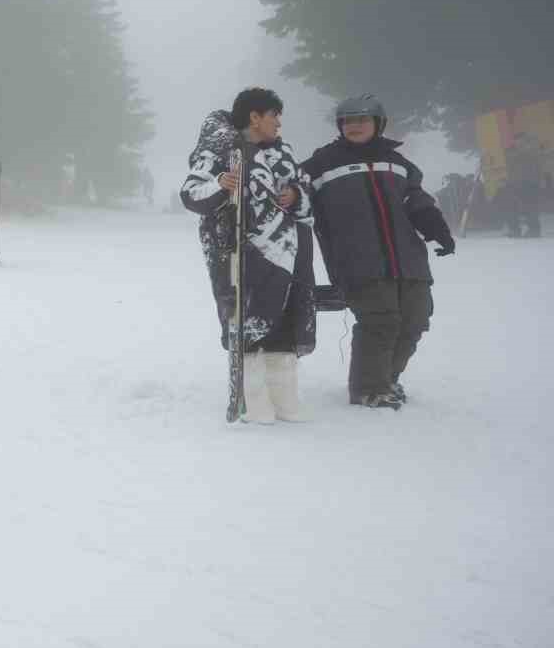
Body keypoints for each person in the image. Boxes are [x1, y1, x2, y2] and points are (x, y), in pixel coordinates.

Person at [300, 95, 456, 409]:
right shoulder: (321, 164)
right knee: (380, 320)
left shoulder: (398, 163)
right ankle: (368, 388)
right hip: (358, 259)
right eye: (348, 121)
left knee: (415, 319)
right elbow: (295, 196)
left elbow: (415, 199)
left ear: (378, 124)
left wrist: (435, 227)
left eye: (362, 120)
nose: (354, 126)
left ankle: (388, 378)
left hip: (408, 258)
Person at [180, 88, 316, 423]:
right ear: (254, 117)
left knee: (285, 323)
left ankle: (285, 399)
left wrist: (295, 194)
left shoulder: (283, 152)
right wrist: (221, 185)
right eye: (274, 115)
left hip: (290, 251)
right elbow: (191, 192)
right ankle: (253, 401)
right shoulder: (223, 149)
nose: (279, 123)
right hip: (242, 252)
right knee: (250, 322)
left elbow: (308, 191)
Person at [503, 130, 548, 238]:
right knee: (513, 206)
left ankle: (533, 230)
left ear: (524, 140)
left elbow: (532, 160)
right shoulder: (517, 150)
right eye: (516, 140)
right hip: (517, 183)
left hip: (528, 182)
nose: (517, 142)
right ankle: (516, 230)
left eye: (519, 140)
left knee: (529, 207)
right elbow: (511, 164)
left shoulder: (531, 149)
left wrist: (514, 152)